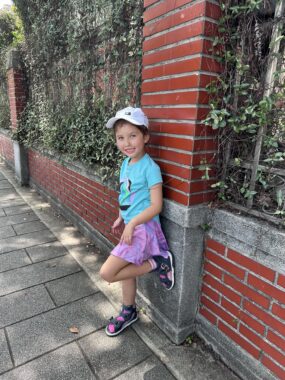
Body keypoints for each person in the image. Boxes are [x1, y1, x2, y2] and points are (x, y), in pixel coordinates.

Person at [100, 106, 175, 337]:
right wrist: (121, 216)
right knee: (127, 270)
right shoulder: (126, 163)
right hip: (133, 224)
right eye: (120, 138)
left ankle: (159, 262)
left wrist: (132, 224)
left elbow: (155, 206)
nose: (127, 143)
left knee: (107, 273)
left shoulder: (151, 168)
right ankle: (129, 310)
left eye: (132, 136)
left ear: (145, 137)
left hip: (143, 228)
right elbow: (127, 194)